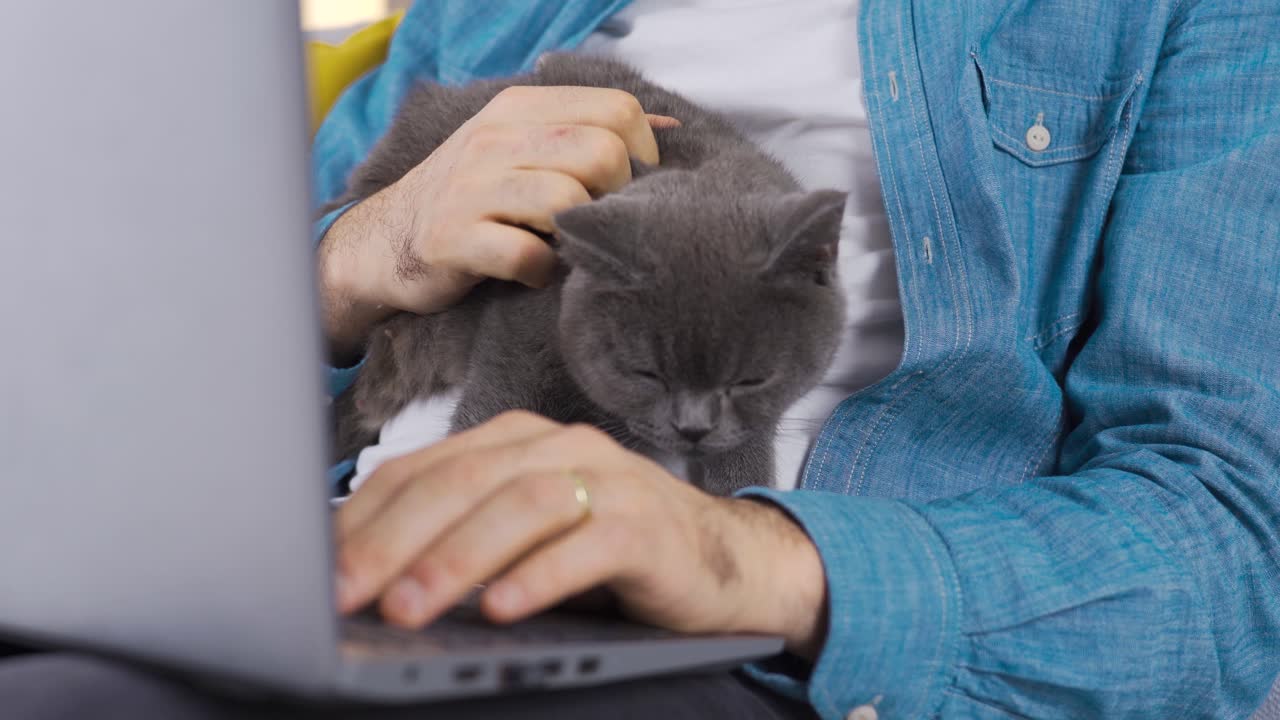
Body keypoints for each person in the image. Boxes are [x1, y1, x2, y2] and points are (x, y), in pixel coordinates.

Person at [4, 1, 1279, 718]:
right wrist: (351, 263)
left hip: (737, 656)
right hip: (313, 573)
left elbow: (1232, 538)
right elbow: (151, 360)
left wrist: (745, 557)